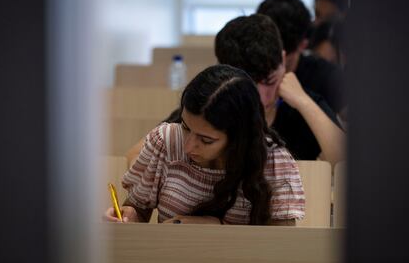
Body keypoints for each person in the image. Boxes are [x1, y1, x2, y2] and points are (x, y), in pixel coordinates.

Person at [127, 14, 344, 166]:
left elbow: (346, 162)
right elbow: (136, 156)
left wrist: (305, 103)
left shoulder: (302, 103)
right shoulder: (213, 107)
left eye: (269, 81)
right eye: (248, 85)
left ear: (284, 60)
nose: (259, 97)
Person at [105, 64, 305, 225]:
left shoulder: (273, 161)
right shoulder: (165, 141)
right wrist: (129, 215)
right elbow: (138, 209)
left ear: (239, 138)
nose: (188, 146)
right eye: (185, 126)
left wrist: (214, 228)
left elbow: (281, 244)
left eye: (206, 140)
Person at [257, 0, 346, 114]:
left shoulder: (328, 78)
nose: (273, 66)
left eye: (282, 57)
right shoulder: (247, 71)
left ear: (303, 45)